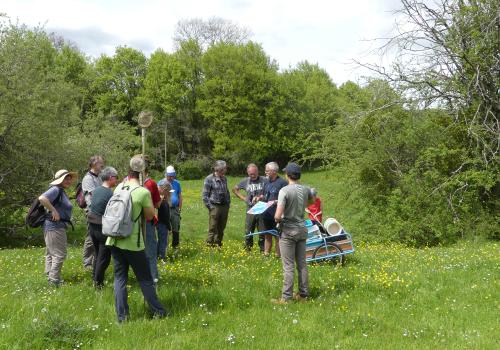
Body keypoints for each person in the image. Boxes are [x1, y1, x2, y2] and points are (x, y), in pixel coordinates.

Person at [105, 162, 166, 322]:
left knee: (120, 279)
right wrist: (158, 198)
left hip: (114, 239)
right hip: (132, 243)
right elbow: (149, 216)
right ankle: (159, 312)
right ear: (143, 173)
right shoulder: (142, 192)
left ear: (129, 172)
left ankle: (122, 318)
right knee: (145, 279)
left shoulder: (119, 187)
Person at [273, 163, 313, 304]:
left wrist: (280, 213)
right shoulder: (306, 189)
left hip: (288, 231)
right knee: (302, 264)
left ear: (287, 175)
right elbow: (310, 202)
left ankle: (286, 297)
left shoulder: (284, 190)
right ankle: (303, 295)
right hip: (302, 229)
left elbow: (278, 217)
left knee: (288, 266)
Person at [39, 169, 78, 286]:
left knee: (51, 252)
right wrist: (54, 211)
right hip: (54, 226)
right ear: (59, 180)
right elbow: (42, 198)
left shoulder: (60, 191)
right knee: (59, 254)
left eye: (70, 178)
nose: (69, 180)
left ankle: (49, 275)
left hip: (54, 226)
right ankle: (54, 280)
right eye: (66, 178)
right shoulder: (55, 189)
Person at [87, 166, 118, 289]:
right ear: (110, 178)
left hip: (92, 227)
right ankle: (98, 284)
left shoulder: (97, 190)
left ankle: (94, 278)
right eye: (115, 178)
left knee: (97, 254)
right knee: (104, 258)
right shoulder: (110, 193)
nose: (116, 180)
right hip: (102, 228)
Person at [232, 163, 267, 252]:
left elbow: (271, 190)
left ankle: (263, 250)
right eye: (251, 174)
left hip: (262, 209)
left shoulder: (264, 180)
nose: (253, 175)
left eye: (254, 173)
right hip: (250, 209)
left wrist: (262, 197)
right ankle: (248, 249)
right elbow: (235, 189)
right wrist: (244, 198)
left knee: (262, 231)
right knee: (248, 231)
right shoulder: (246, 181)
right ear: (248, 173)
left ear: (258, 172)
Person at [82, 155, 105, 270]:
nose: (102, 165)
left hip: (99, 212)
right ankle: (87, 263)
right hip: (92, 212)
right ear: (94, 164)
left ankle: (95, 260)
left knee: (96, 237)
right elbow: (94, 195)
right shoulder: (88, 179)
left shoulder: (99, 177)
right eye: (101, 163)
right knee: (90, 238)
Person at [260, 162, 288, 257]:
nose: (265, 172)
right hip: (266, 213)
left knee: (277, 236)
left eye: (267, 171)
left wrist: (276, 201)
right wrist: (259, 197)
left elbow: (286, 199)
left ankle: (277, 255)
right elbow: (264, 195)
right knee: (267, 234)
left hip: (277, 214)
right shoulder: (266, 182)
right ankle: (266, 254)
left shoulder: (283, 183)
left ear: (274, 171)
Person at [202, 160, 230, 247]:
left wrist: (228, 203)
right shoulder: (209, 179)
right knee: (213, 227)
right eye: (223, 169)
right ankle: (209, 245)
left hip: (224, 206)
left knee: (221, 227)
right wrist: (211, 207)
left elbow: (227, 191)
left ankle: (218, 244)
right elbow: (205, 196)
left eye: (225, 169)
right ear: (218, 169)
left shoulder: (224, 178)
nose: (225, 171)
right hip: (214, 206)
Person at [142, 160, 162, 282]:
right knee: (150, 251)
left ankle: (140, 276)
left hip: (131, 222)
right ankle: (153, 277)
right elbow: (158, 204)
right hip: (147, 220)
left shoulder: (126, 181)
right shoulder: (151, 183)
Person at [158, 165, 183, 254]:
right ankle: (164, 248)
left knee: (176, 227)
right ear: (166, 175)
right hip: (165, 209)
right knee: (165, 228)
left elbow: (180, 196)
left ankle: (175, 246)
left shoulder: (177, 183)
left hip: (174, 209)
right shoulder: (161, 183)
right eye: (169, 175)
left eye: (172, 175)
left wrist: (179, 209)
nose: (171, 177)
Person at [156, 181, 172, 261]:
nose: (170, 194)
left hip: (161, 224)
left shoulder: (163, 201)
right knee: (163, 242)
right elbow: (166, 217)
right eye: (169, 192)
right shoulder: (163, 202)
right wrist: (169, 227)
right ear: (165, 191)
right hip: (163, 225)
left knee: (160, 240)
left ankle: (158, 255)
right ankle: (162, 257)